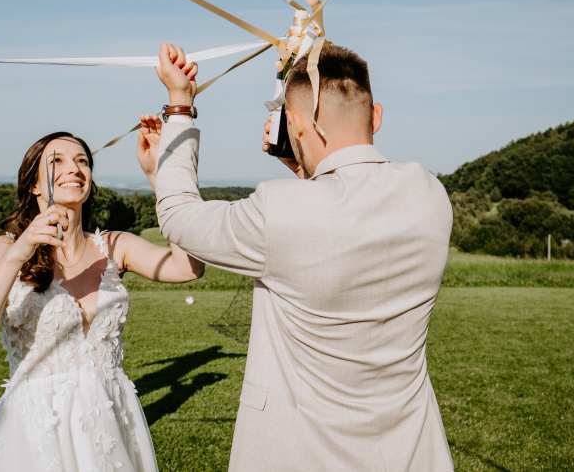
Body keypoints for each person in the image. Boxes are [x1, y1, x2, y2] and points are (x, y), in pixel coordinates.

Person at [136, 42, 454, 471]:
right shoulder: (429, 193)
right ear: (375, 116)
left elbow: (178, 215)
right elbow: (348, 209)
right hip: (410, 452)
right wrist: (304, 164)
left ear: (296, 126)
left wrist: (180, 105)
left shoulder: (280, 211)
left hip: (300, 454)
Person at [0, 131, 204, 472]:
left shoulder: (113, 246)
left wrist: (161, 177)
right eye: (57, 161)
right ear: (34, 185)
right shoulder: (4, 250)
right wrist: (18, 254)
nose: (74, 168)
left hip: (110, 426)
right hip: (35, 434)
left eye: (82, 160)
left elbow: (189, 267)